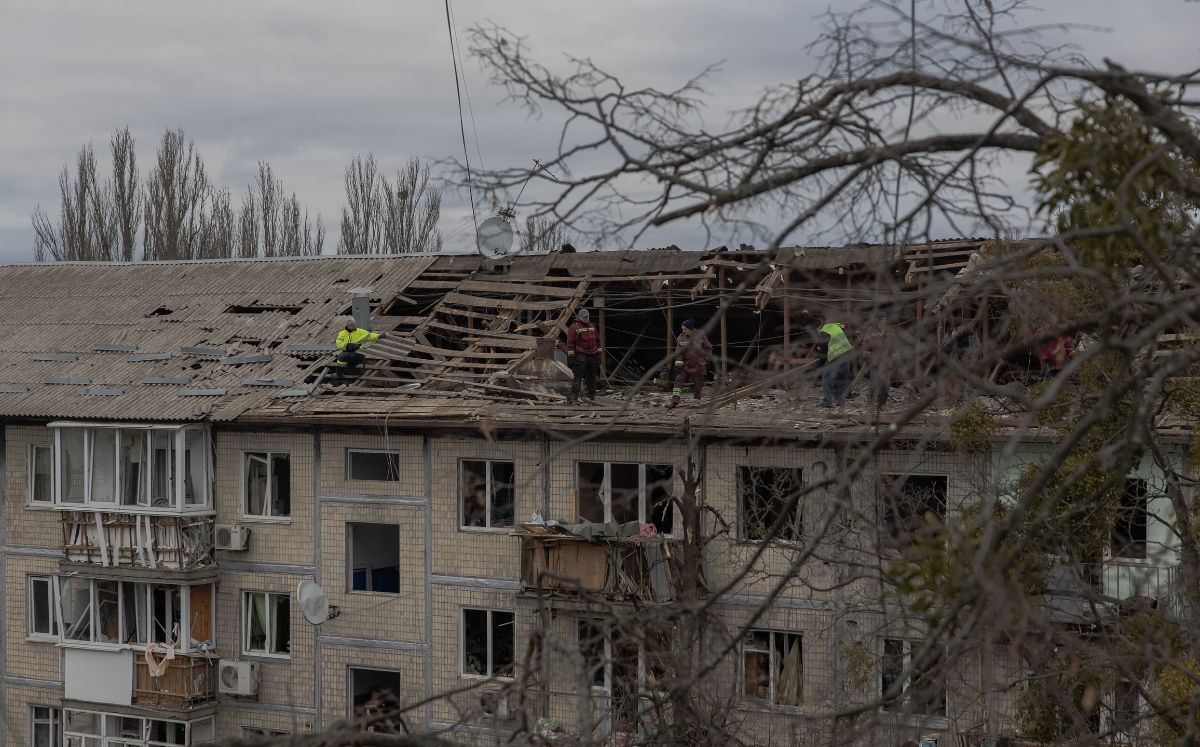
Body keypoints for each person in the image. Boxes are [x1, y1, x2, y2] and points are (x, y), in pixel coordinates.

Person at [668, 318, 713, 409]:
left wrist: (706, 360)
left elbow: (708, 348)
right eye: (682, 329)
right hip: (685, 365)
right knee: (678, 381)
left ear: (690, 329)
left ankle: (696, 404)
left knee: (697, 385)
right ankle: (674, 402)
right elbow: (679, 352)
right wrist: (678, 363)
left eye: (685, 329)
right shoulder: (681, 338)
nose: (683, 331)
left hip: (698, 365)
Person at [566, 308, 600, 403]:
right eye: (585, 316)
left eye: (587, 316)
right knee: (578, 376)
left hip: (592, 354)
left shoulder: (592, 326)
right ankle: (574, 397)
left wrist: (598, 354)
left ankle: (592, 396)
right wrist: (572, 358)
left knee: (592, 376)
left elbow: (598, 341)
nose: (586, 318)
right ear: (580, 317)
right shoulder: (574, 327)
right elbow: (570, 344)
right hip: (580, 355)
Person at [818, 322, 853, 408]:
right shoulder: (835, 327)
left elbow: (822, 351)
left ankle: (827, 402)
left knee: (826, 377)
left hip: (836, 355)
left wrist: (820, 365)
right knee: (841, 378)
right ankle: (841, 401)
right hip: (847, 353)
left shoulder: (823, 331)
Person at [861, 323, 891, 409]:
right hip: (875, 363)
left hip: (886, 363)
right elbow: (865, 345)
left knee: (885, 386)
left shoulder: (890, 330)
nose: (883, 321)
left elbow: (895, 344)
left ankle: (882, 404)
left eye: (885, 319)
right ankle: (871, 403)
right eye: (882, 319)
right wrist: (866, 352)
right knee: (874, 383)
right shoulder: (871, 330)